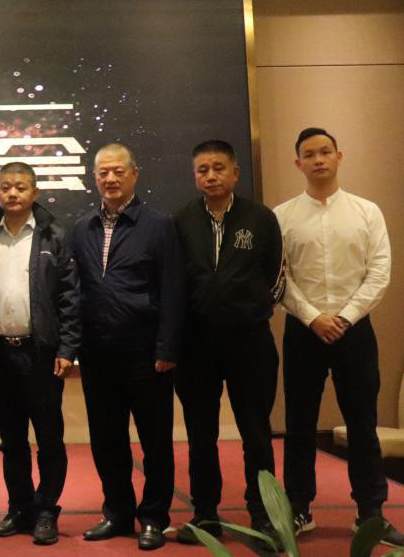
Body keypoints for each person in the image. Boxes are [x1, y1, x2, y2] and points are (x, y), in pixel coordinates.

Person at [276, 127, 403, 547]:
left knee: (363, 425)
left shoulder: (367, 211)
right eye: (309, 154)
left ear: (339, 156)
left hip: (355, 330)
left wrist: (344, 318)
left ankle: (371, 514)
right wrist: (313, 317)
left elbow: (379, 272)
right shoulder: (282, 215)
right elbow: (280, 277)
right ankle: (298, 510)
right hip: (303, 330)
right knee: (299, 425)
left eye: (325, 152)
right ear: (298, 163)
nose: (319, 160)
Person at [70, 143, 182, 551]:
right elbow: (75, 290)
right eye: (103, 172)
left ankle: (153, 518)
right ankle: (117, 512)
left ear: (135, 173)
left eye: (118, 171)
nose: (110, 179)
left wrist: (167, 347)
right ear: (94, 178)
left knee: (155, 441)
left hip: (146, 353)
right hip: (97, 353)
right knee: (106, 439)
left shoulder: (158, 225)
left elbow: (172, 290)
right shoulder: (81, 227)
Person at [172, 141, 284, 546]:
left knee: (256, 434)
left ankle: (265, 517)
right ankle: (205, 515)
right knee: (201, 436)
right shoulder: (181, 220)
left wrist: (246, 311)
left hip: (249, 343)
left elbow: (276, 275)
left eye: (218, 168)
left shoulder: (261, 218)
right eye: (202, 170)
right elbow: (175, 281)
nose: (211, 176)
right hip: (196, 346)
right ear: (195, 176)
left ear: (235, 173)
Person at [0, 161, 79, 546]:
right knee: (11, 440)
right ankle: (19, 507)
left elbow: (70, 297)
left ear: (34, 192)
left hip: (40, 354)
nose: (12, 193)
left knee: (49, 438)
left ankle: (46, 511)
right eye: (5, 186)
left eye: (20, 187)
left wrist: (67, 348)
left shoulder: (55, 236)